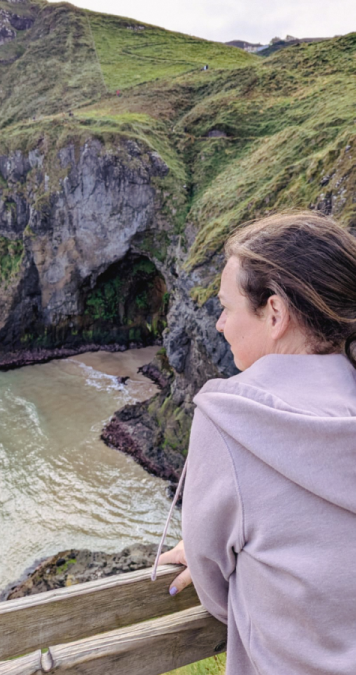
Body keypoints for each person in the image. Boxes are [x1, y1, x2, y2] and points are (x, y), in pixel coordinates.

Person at [155, 211, 356, 673]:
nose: (220, 324)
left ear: (275, 314)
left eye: (227, 308)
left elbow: (214, 588)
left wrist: (210, 550)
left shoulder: (230, 420)